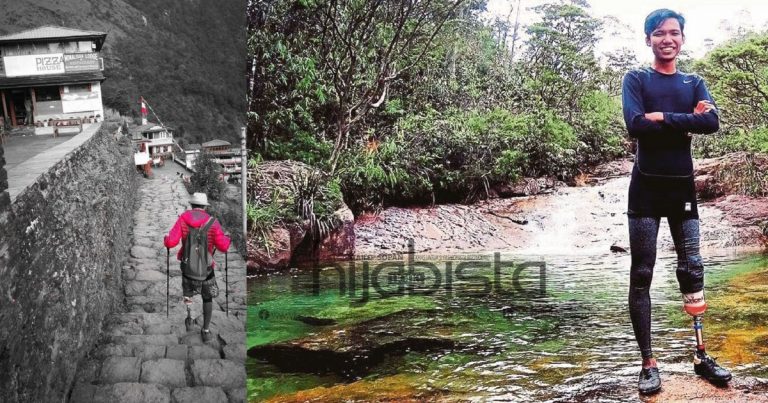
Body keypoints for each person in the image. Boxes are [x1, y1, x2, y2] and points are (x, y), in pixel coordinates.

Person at [621, 8, 732, 395]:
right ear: (648, 38)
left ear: (682, 39)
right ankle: (648, 363)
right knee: (642, 274)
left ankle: (701, 355)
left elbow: (712, 123)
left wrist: (664, 117)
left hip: (683, 189)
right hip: (646, 190)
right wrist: (687, 120)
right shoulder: (636, 78)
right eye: (659, 33)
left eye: (674, 33)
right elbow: (635, 123)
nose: (667, 39)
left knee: (693, 267)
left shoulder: (693, 81)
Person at [164, 192, 231, 342]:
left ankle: (190, 317)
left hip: (187, 268)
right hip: (207, 271)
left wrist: (166, 239)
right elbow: (223, 246)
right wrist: (227, 239)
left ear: (192, 205)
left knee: (188, 294)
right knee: (207, 298)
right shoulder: (213, 222)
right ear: (204, 207)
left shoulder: (183, 219)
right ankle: (206, 330)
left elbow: (170, 242)